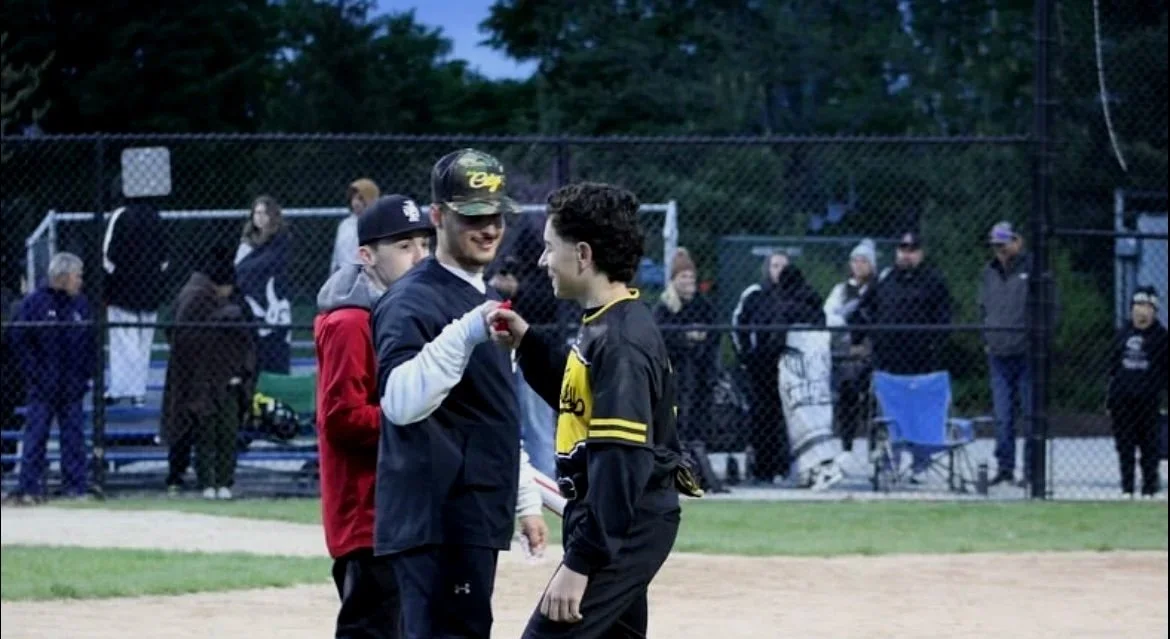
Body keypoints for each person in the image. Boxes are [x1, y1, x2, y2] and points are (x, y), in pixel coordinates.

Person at [315, 193, 549, 638]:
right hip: (370, 510)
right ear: (366, 255)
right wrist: (432, 422)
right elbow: (341, 417)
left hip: (410, 502)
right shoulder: (351, 320)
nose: (418, 255)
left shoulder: (435, 303)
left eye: (421, 243)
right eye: (403, 247)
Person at [488, 181, 703, 638]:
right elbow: (578, 399)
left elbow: (621, 462)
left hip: (625, 523)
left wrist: (579, 564)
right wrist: (529, 343)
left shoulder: (621, 341)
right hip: (618, 520)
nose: (544, 260)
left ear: (582, 255)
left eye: (550, 248)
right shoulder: (608, 323)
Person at [370, 149, 522, 639]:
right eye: (473, 216)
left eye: (496, 215)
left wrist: (526, 500)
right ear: (438, 217)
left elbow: (488, 411)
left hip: (469, 515)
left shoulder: (478, 297)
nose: (489, 228)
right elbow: (398, 399)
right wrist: (463, 334)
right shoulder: (412, 298)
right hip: (438, 520)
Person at [160, 248, 256, 500]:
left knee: (225, 434)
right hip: (197, 379)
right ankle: (193, 479)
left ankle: (221, 481)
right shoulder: (197, 296)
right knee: (203, 433)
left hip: (225, 380)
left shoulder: (214, 297)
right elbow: (181, 334)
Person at [731, 250, 823, 483]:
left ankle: (787, 465)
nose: (779, 270)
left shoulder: (799, 296)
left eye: (783, 265)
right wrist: (746, 355)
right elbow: (738, 326)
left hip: (793, 368)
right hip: (763, 366)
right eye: (774, 265)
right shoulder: (755, 294)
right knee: (763, 414)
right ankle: (763, 467)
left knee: (789, 415)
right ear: (767, 268)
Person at [10, 252, 94, 503]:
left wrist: (84, 375)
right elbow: (21, 342)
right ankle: (29, 487)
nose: (80, 281)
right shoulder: (34, 303)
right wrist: (35, 375)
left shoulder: (81, 304)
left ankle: (75, 487)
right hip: (42, 386)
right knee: (35, 436)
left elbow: (91, 343)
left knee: (74, 438)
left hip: (72, 386)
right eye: (77, 276)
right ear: (64, 277)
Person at [978, 221, 1043, 487]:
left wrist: (1039, 342)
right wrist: (986, 338)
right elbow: (982, 308)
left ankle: (1031, 472)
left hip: (1027, 354)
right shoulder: (988, 272)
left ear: (1018, 241)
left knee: (1029, 416)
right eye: (996, 246)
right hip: (998, 354)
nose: (1000, 251)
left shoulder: (1034, 270)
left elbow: (1051, 308)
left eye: (1004, 245)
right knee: (1003, 418)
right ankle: (1005, 468)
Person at [102, 198, 169, 407]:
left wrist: (115, 280)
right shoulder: (154, 215)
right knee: (143, 342)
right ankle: (138, 391)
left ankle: (122, 388)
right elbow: (165, 259)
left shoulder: (120, 215)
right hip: (150, 291)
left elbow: (107, 256)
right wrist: (153, 280)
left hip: (123, 291)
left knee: (124, 340)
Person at [1106, 286, 1167, 498]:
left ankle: (1149, 488)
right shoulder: (1123, 332)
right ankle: (1127, 488)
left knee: (1149, 445)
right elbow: (1114, 366)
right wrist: (1110, 398)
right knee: (1125, 446)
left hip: (1148, 400)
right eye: (1139, 306)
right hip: (1122, 400)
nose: (1142, 311)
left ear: (1155, 311)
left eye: (1148, 307)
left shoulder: (1161, 337)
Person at [652, 248, 717, 445]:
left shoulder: (703, 304)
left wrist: (700, 338)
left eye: (691, 276)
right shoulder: (665, 306)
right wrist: (686, 337)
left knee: (700, 405)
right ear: (674, 279)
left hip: (701, 367)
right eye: (683, 276)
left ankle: (696, 444)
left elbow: (714, 332)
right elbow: (662, 337)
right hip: (675, 368)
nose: (688, 280)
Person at [823, 239, 877, 458]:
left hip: (873, 352)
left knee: (874, 398)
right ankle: (847, 445)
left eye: (864, 260)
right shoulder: (842, 290)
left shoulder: (879, 289)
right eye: (855, 260)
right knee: (847, 392)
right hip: (846, 354)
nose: (859, 265)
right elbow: (828, 316)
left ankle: (874, 447)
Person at [235, 195, 292, 374]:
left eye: (264, 213)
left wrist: (245, 269)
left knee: (275, 348)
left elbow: (270, 264)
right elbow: (238, 269)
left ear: (272, 216)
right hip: (251, 303)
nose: (259, 217)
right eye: (256, 213)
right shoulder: (246, 242)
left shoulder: (281, 240)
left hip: (273, 304)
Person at [332, 178, 381, 274]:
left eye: (360, 198)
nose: (355, 203)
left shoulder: (378, 223)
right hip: (345, 275)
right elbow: (337, 256)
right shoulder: (345, 225)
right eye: (353, 198)